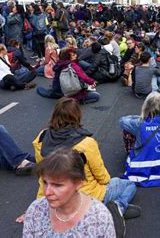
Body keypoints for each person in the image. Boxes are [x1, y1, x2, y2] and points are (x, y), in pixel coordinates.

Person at [30, 98, 140, 236]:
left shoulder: (41, 138)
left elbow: (43, 177)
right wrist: (106, 184)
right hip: (88, 195)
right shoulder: (86, 143)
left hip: (59, 197)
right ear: (77, 115)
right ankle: (117, 207)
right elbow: (102, 177)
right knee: (129, 185)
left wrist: (40, 202)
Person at [22, 147, 116, 238]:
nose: (47, 192)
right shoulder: (35, 210)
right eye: (45, 183)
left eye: (57, 185)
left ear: (78, 183)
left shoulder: (98, 219)